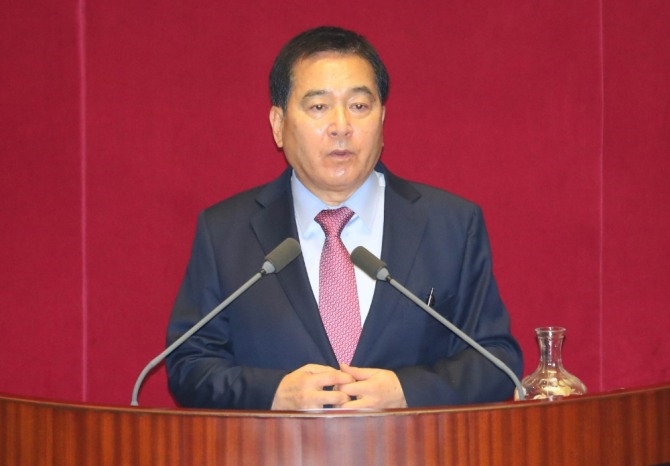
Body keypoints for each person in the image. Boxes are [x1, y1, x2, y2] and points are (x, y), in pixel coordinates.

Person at [165, 26, 523, 410]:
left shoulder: (450, 225)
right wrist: (273, 393)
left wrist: (407, 392)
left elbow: (497, 361)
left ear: (382, 119)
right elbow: (189, 364)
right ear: (278, 125)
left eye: (359, 106)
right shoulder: (225, 233)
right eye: (319, 107)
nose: (341, 127)